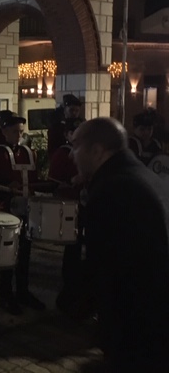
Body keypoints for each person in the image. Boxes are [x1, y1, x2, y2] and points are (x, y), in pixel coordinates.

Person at [70, 117, 169, 371]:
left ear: (97, 151)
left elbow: (106, 267)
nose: (72, 154)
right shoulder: (140, 175)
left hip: (139, 327)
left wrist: (75, 303)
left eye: (76, 146)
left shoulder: (113, 188)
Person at [0, 112, 46, 314]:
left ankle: (23, 291)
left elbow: (33, 179)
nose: (18, 135)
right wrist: (6, 186)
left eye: (20, 131)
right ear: (4, 132)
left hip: (26, 208)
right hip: (7, 209)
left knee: (25, 253)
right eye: (14, 131)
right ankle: (5, 295)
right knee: (7, 253)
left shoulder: (28, 152)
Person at [47, 118, 86, 315]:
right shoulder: (62, 153)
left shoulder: (88, 151)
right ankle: (70, 287)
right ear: (67, 135)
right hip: (71, 206)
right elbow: (53, 182)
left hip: (87, 204)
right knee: (73, 247)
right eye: (74, 132)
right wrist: (72, 180)